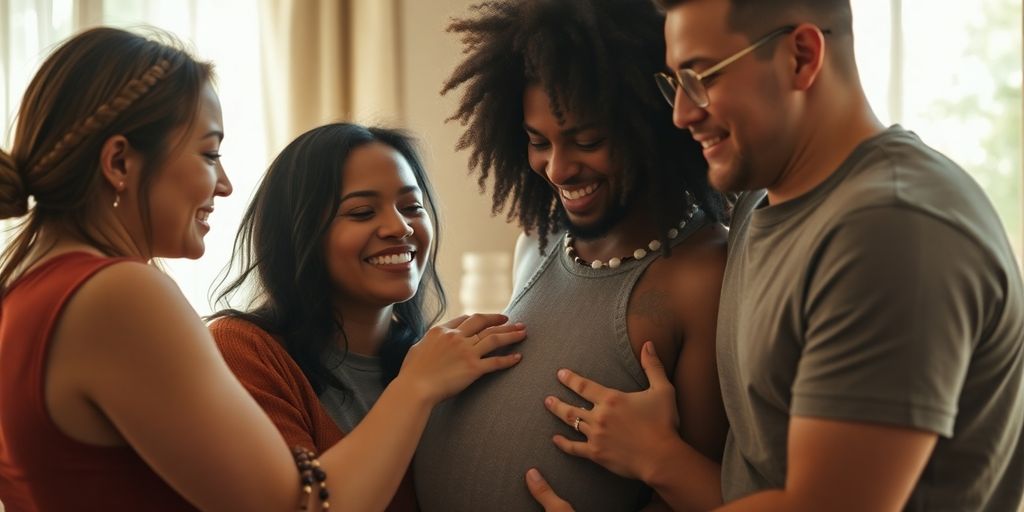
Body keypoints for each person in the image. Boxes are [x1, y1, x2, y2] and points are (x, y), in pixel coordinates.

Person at [0, 27, 524, 511]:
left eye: (411, 206)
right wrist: (415, 388)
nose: (224, 184)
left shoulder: (26, 291)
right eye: (209, 154)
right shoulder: (118, 294)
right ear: (119, 164)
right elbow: (298, 505)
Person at [532, 0, 1024, 510]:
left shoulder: (893, 230)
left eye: (702, 78)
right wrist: (661, 458)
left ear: (802, 57)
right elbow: (767, 488)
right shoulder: (759, 202)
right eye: (674, 83)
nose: (682, 113)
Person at [412, 1, 730, 510]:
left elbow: (695, 486)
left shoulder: (701, 275)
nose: (558, 169)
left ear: (653, 125)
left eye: (587, 141)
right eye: (538, 141)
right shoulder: (536, 243)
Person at [207, 122, 528, 511]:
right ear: (299, 231)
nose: (400, 227)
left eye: (412, 207)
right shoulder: (243, 349)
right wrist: (413, 389)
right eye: (361, 212)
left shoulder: (435, 361)